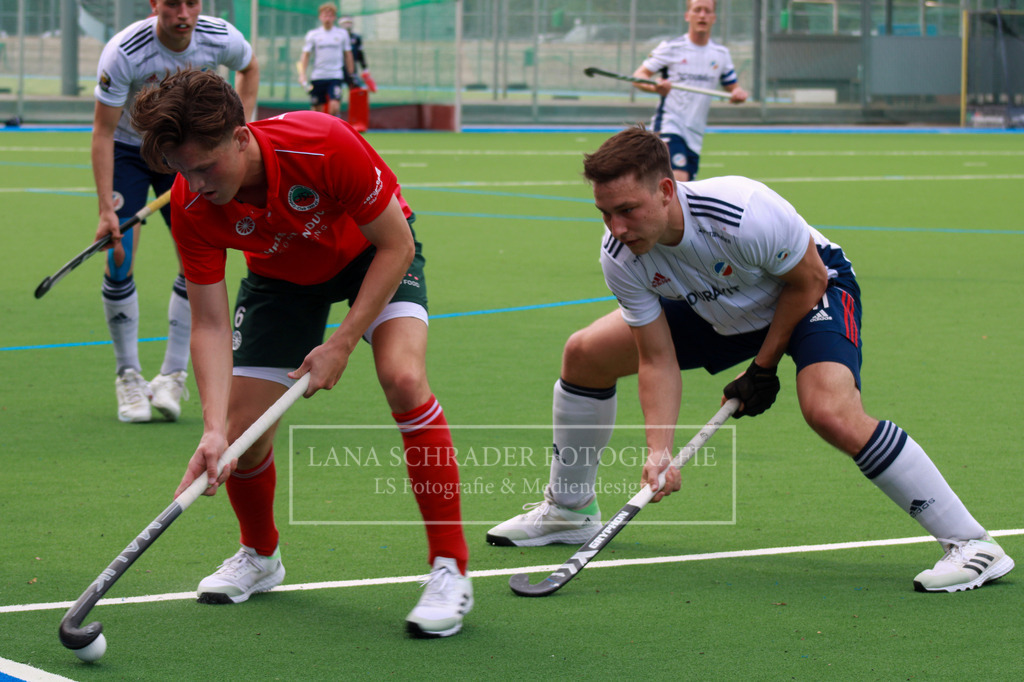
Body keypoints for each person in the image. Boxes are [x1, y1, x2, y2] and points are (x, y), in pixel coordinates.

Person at [486, 126, 1014, 594]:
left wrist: (763, 368)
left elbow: (806, 281)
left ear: (666, 190)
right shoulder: (621, 255)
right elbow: (656, 357)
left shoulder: (742, 212)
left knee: (829, 410)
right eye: (605, 212)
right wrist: (659, 450)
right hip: (717, 306)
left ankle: (973, 545)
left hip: (806, 290)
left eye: (628, 210)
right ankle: (570, 511)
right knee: (584, 354)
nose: (616, 226)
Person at [131, 68, 472, 637]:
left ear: (241, 138)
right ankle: (260, 556)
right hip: (281, 279)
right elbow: (211, 323)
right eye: (182, 170)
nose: (195, 182)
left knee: (404, 379)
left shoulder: (320, 142)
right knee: (245, 429)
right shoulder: (194, 202)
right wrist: (214, 428)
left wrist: (341, 342)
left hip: (373, 254)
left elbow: (397, 244)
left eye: (205, 165)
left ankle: (450, 569)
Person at [92, 0, 259, 423]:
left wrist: (241, 125)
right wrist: (104, 210)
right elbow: (103, 132)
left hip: (184, 156)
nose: (183, 13)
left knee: (196, 258)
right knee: (120, 256)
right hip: (130, 153)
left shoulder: (218, 36)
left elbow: (249, 66)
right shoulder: (124, 51)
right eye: (172, 4)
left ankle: (172, 374)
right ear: (154, 5)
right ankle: (128, 375)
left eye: (192, 3)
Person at [631, 0, 747, 181]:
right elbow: (639, 76)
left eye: (707, 11)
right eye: (697, 10)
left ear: (714, 18)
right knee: (678, 180)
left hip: (695, 134)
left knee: (683, 193)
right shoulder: (671, 48)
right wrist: (655, 87)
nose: (702, 15)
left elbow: (733, 87)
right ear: (688, 16)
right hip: (670, 126)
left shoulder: (721, 54)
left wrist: (739, 93)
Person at [297, 3, 355, 117]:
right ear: (320, 17)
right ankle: (318, 133)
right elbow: (306, 55)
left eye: (330, 16)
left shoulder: (342, 34)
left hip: (335, 76)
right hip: (318, 76)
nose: (327, 18)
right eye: (325, 16)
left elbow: (348, 54)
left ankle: (333, 132)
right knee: (316, 111)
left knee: (334, 107)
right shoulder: (313, 35)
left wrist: (351, 73)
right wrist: (302, 74)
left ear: (334, 17)